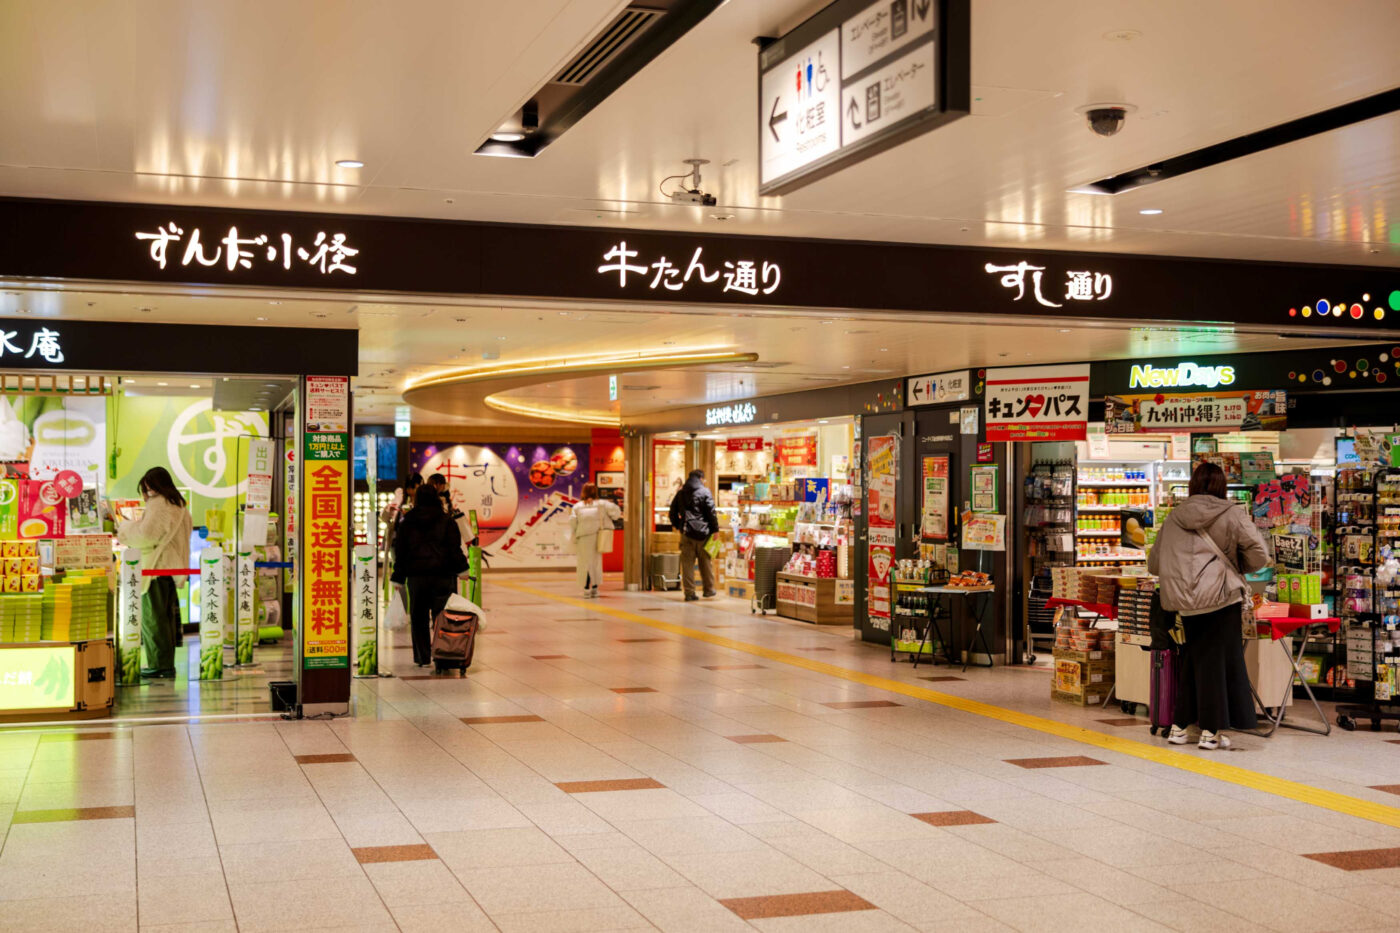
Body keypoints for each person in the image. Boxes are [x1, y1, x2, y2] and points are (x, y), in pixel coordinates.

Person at [1148, 461, 1268, 750]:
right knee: (1216, 664)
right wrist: (1236, 566)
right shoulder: (1232, 514)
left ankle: (1179, 726)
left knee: (1192, 661)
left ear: (1192, 485)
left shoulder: (1175, 516)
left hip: (1184, 604)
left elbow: (1154, 563)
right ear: (1222, 486)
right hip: (1220, 599)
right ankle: (1210, 731)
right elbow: (1260, 554)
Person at [116, 467, 193, 679]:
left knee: (153, 620)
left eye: (146, 489)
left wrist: (125, 527)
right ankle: (164, 664)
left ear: (152, 486)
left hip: (156, 569)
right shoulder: (179, 505)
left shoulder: (159, 504)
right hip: (170, 568)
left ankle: (160, 665)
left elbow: (146, 535)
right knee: (165, 618)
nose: (146, 494)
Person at [393, 485, 464, 667]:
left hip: (417, 577)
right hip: (442, 576)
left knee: (418, 617)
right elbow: (454, 549)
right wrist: (463, 569)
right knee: (442, 617)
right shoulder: (446, 520)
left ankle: (422, 657)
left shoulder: (408, 521)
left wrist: (398, 577)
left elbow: (401, 551)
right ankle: (443, 656)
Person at [669, 469, 719, 602]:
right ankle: (708, 589)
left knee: (687, 564)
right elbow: (711, 513)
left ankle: (690, 593)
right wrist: (715, 530)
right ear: (701, 478)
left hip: (687, 533)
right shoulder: (705, 492)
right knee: (705, 562)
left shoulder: (681, 493)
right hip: (704, 533)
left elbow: (672, 512)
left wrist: (679, 525)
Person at [570, 483, 622, 598]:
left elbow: (573, 522)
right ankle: (594, 588)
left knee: (584, 563)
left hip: (583, 538)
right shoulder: (603, 504)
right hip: (598, 537)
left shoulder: (577, 506)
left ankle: (585, 588)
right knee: (596, 563)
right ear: (595, 491)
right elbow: (616, 513)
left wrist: (576, 531)